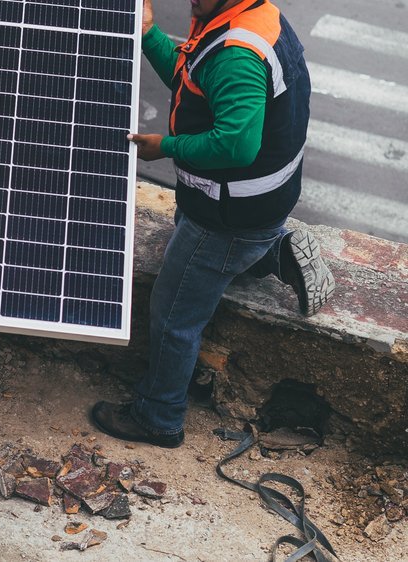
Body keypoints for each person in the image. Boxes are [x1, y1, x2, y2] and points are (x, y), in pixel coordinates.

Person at [92, 0, 336, 448]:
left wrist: (165, 146)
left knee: (173, 313)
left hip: (228, 217)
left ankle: (158, 415)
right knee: (202, 253)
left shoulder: (237, 54)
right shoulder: (253, 18)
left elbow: (236, 147)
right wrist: (149, 34)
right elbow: (195, 80)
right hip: (250, 206)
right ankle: (273, 252)